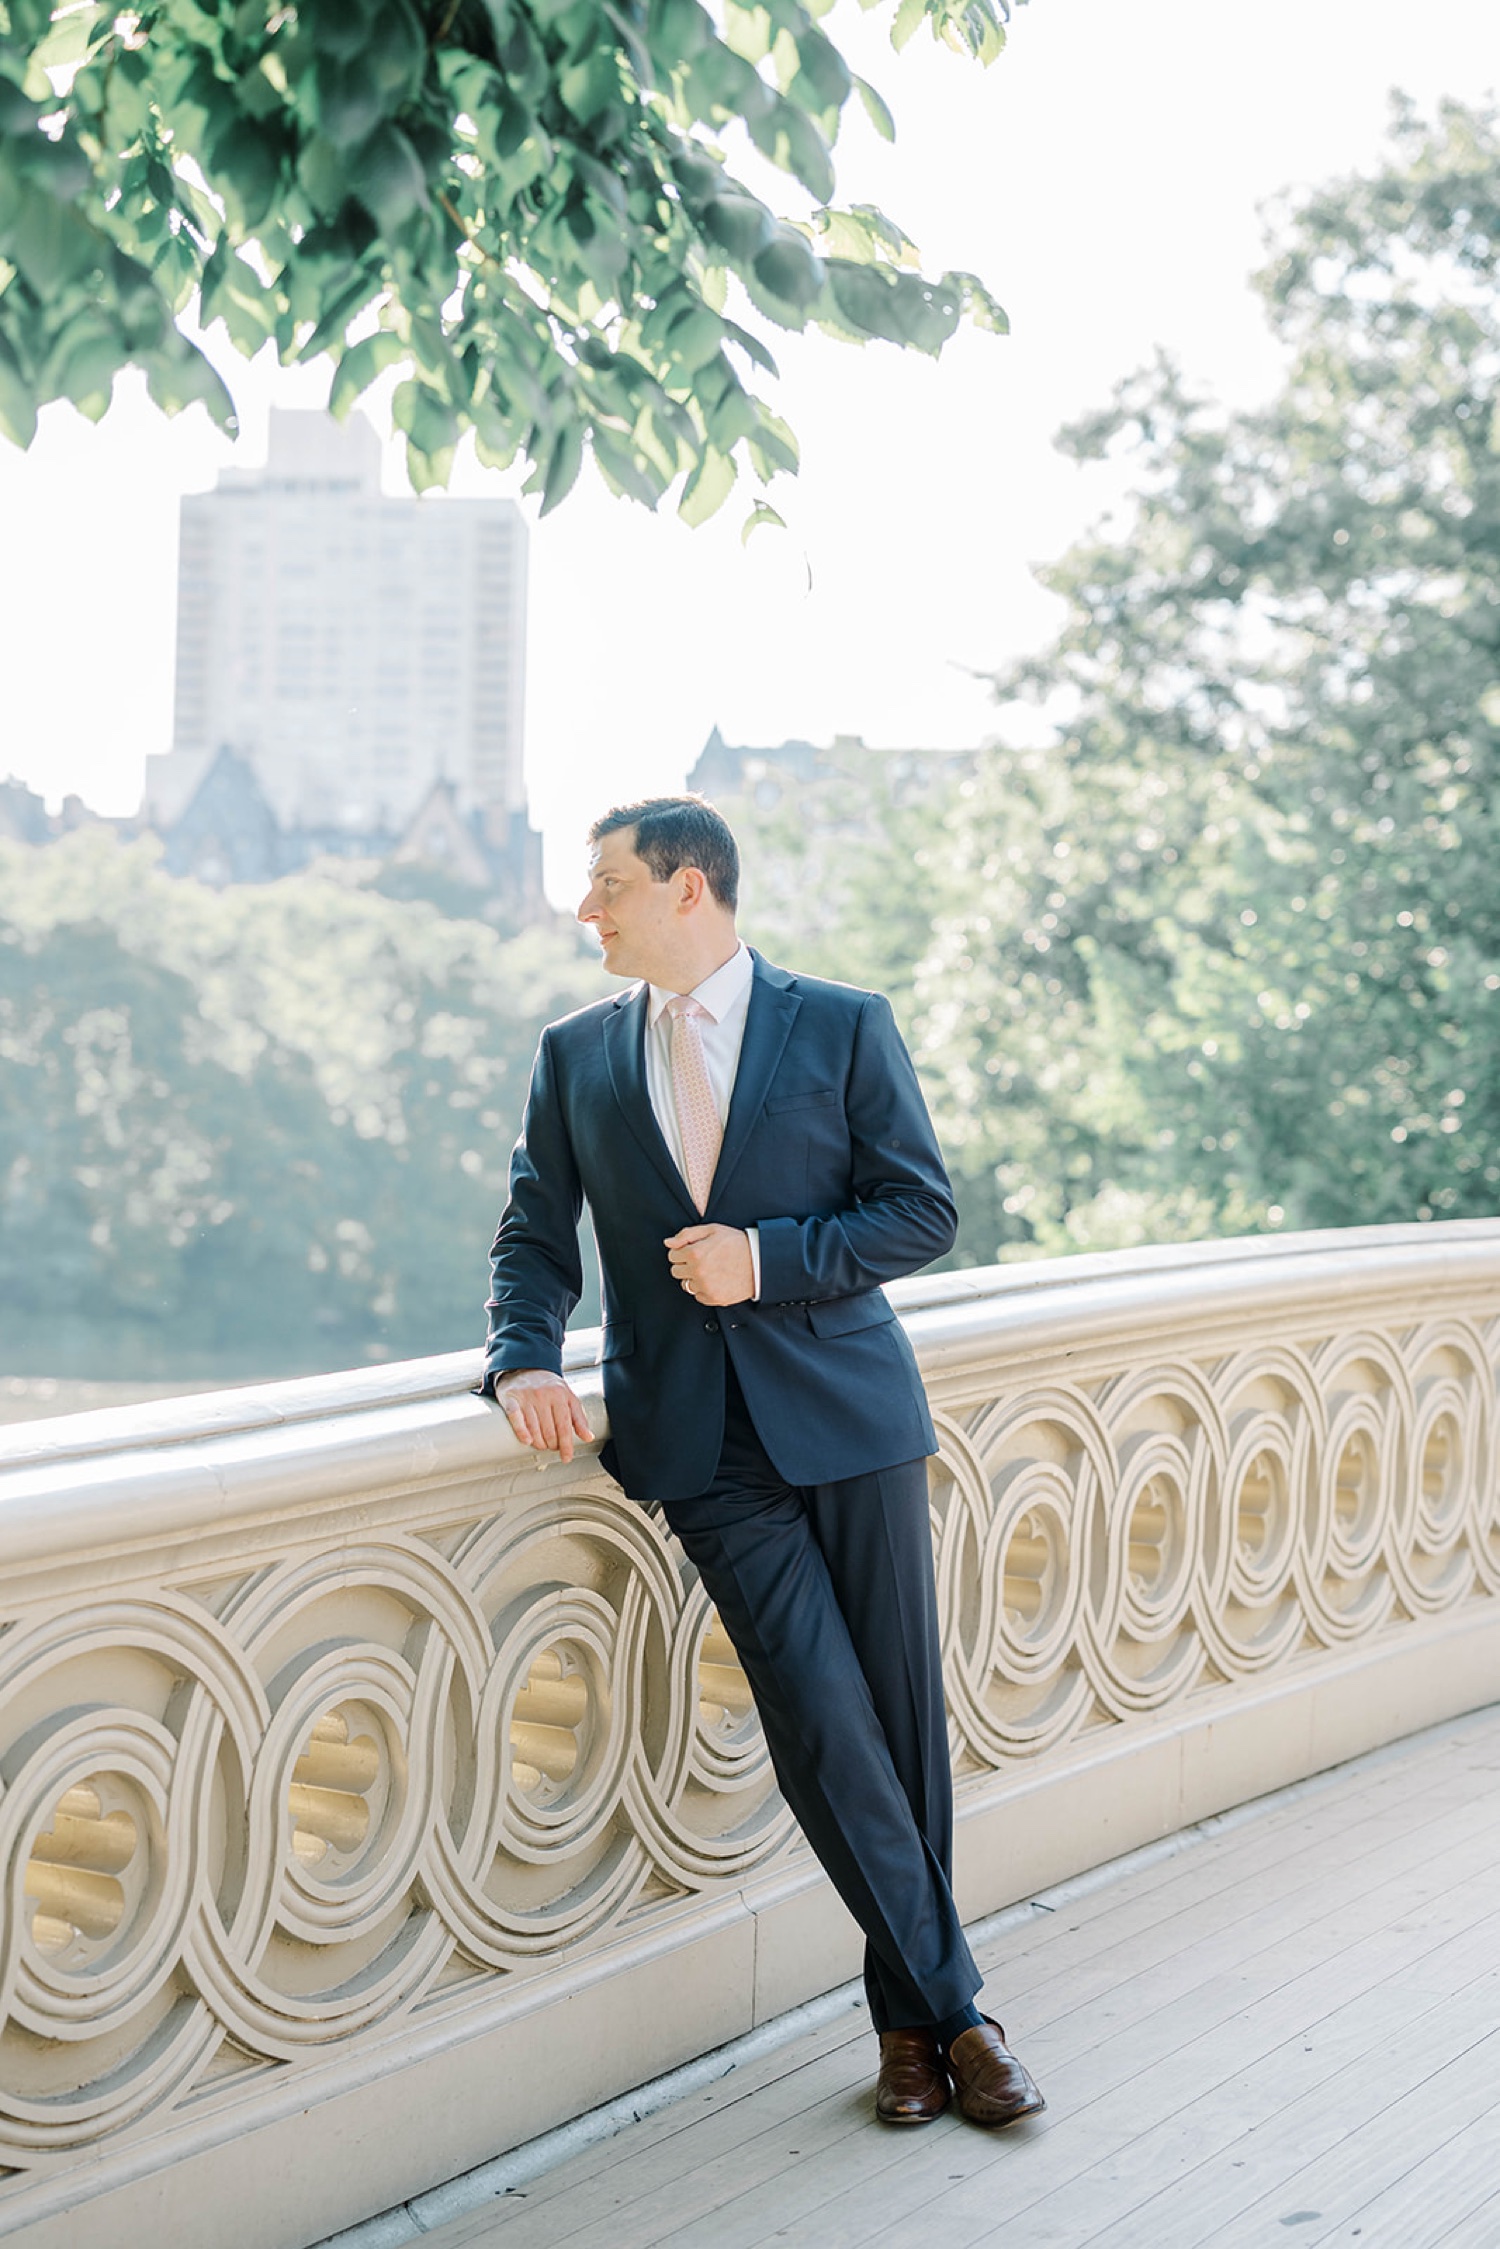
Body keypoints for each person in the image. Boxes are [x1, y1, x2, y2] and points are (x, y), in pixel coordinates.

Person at [482, 795, 1044, 2131]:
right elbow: (533, 1233)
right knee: (821, 1716)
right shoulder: (577, 1054)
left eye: (607, 884)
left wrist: (767, 1260)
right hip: (698, 1445)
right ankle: (965, 2014)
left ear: (689, 889)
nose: (586, 909)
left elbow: (921, 1208)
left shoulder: (842, 1022)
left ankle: (906, 2034)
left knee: (896, 1729)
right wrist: (522, 1357)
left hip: (852, 1418)